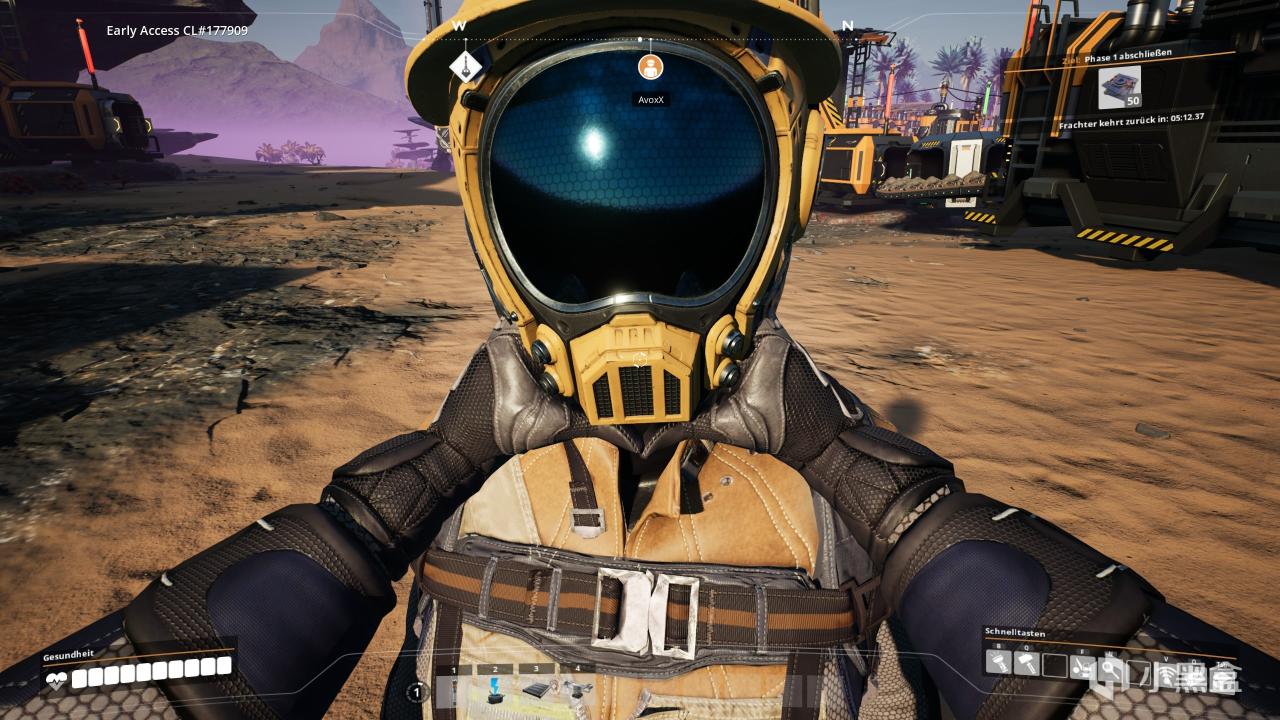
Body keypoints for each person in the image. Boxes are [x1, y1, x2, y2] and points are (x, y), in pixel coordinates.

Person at [2, 1, 1278, 719]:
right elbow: (1130, 676)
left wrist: (392, 502)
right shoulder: (825, 501)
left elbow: (156, 679)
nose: (630, 287)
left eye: (689, 174)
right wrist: (885, 494)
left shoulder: (477, 488)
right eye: (566, 182)